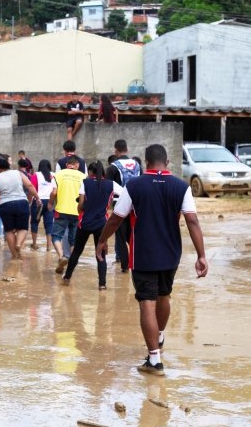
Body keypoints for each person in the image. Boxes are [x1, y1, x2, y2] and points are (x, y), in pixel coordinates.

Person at [96, 144, 208, 376]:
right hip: (171, 254)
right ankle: (158, 336)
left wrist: (102, 240)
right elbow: (192, 221)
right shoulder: (182, 187)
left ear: (146, 162)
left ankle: (154, 361)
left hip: (143, 254)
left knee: (147, 302)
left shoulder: (134, 186)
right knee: (164, 296)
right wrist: (201, 255)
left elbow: (116, 219)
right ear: (167, 163)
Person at [63, 161, 122, 290]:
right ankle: (102, 284)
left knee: (77, 252)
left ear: (90, 172)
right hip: (102, 224)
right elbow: (124, 195)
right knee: (100, 254)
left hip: (85, 223)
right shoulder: (111, 184)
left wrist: (80, 214)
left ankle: (67, 278)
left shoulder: (85, 183)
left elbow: (80, 204)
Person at [0, 158, 41, 259]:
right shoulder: (18, 173)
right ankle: (18, 244)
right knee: (23, 228)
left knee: (9, 231)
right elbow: (29, 185)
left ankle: (14, 256)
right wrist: (37, 197)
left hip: (5, 205)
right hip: (21, 203)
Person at [106, 139, 141, 273]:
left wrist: (107, 207)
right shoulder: (137, 164)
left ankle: (125, 267)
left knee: (120, 236)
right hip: (136, 206)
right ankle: (139, 260)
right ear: (127, 149)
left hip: (119, 205)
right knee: (132, 234)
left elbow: (108, 187)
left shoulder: (113, 166)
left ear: (116, 150)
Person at [49, 155, 84, 274]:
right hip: (77, 212)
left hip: (61, 210)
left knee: (56, 236)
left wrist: (50, 203)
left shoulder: (58, 174)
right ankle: (72, 262)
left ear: (67, 165)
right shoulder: (83, 176)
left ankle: (61, 256)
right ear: (77, 165)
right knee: (73, 239)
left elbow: (53, 192)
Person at [29, 159, 56, 251]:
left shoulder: (36, 175)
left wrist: (30, 201)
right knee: (49, 224)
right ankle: (49, 246)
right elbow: (55, 190)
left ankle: (34, 244)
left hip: (38, 202)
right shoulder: (54, 175)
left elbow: (32, 189)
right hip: (50, 202)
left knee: (34, 222)